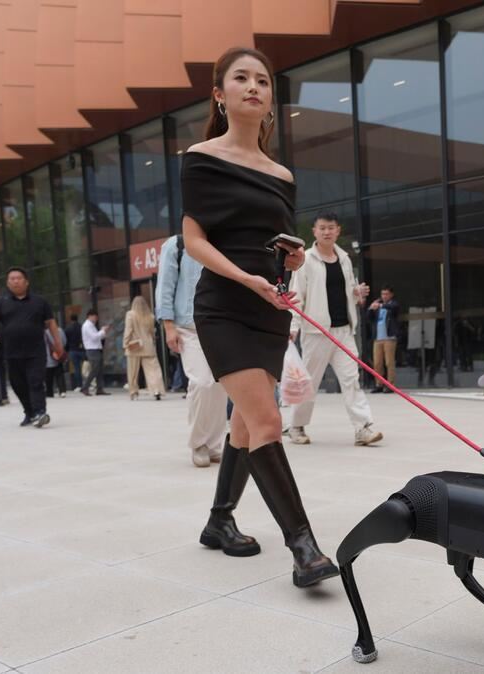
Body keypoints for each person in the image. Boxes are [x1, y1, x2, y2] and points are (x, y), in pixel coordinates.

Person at [182, 47, 338, 587]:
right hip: (224, 306)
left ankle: (219, 521)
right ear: (219, 95)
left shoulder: (281, 174)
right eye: (241, 78)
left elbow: (280, 243)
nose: (254, 86)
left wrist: (291, 261)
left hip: (269, 307)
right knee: (268, 421)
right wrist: (246, 278)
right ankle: (304, 548)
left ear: (271, 99)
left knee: (246, 424)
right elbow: (194, 239)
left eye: (263, 81)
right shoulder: (201, 157)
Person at [284, 213, 383, 447]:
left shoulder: (344, 259)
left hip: (344, 331)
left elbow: (348, 290)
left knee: (351, 380)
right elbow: (297, 295)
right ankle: (296, 426)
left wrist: (356, 293)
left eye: (331, 228)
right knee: (309, 383)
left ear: (338, 230)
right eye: (322, 228)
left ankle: (362, 428)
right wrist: (293, 326)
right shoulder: (305, 260)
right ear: (315, 232)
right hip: (316, 332)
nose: (327, 232)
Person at [157, 233, 228, 466]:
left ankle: (214, 445)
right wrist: (168, 326)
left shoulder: (220, 242)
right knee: (202, 382)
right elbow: (165, 286)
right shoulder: (176, 245)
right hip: (188, 327)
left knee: (220, 387)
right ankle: (199, 443)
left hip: (220, 325)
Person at [0, 267, 64, 428]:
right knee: (17, 384)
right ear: (7, 283)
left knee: (35, 381)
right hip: (12, 352)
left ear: (26, 282)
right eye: (12, 279)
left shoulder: (40, 301)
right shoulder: (0, 303)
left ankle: (40, 412)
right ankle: (30, 412)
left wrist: (58, 343)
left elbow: (51, 323)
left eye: (18, 278)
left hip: (36, 351)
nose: (15, 281)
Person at [123, 295, 165, 401]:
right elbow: (152, 333)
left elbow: (128, 330)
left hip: (134, 346)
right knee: (153, 370)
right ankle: (156, 390)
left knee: (133, 372)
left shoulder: (130, 314)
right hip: (148, 346)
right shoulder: (150, 316)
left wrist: (125, 343)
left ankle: (134, 392)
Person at [367, 286, 399, 393]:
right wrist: (371, 308)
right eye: (382, 294)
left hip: (389, 338)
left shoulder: (393, 304)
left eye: (386, 294)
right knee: (377, 363)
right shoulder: (378, 306)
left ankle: (390, 385)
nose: (384, 296)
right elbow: (369, 318)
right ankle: (379, 384)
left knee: (389, 362)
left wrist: (380, 305)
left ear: (391, 295)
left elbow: (394, 308)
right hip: (378, 338)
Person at [80, 309, 111, 396]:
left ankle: (99, 388)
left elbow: (98, 337)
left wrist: (103, 332)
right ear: (90, 316)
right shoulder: (87, 325)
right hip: (92, 349)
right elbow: (94, 337)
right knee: (95, 369)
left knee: (99, 370)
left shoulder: (91, 325)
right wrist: (103, 330)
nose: (96, 319)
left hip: (96, 348)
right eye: (95, 317)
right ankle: (85, 387)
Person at [64, 314, 84, 391]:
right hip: (82, 349)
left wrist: (66, 350)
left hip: (72, 350)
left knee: (77, 368)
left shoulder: (68, 329)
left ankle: (79, 385)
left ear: (70, 319)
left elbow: (66, 341)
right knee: (86, 367)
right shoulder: (81, 327)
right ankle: (88, 383)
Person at [45, 327, 68, 398]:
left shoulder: (44, 332)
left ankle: (49, 392)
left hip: (47, 357)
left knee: (48, 376)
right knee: (59, 374)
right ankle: (62, 391)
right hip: (58, 355)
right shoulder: (60, 330)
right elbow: (64, 341)